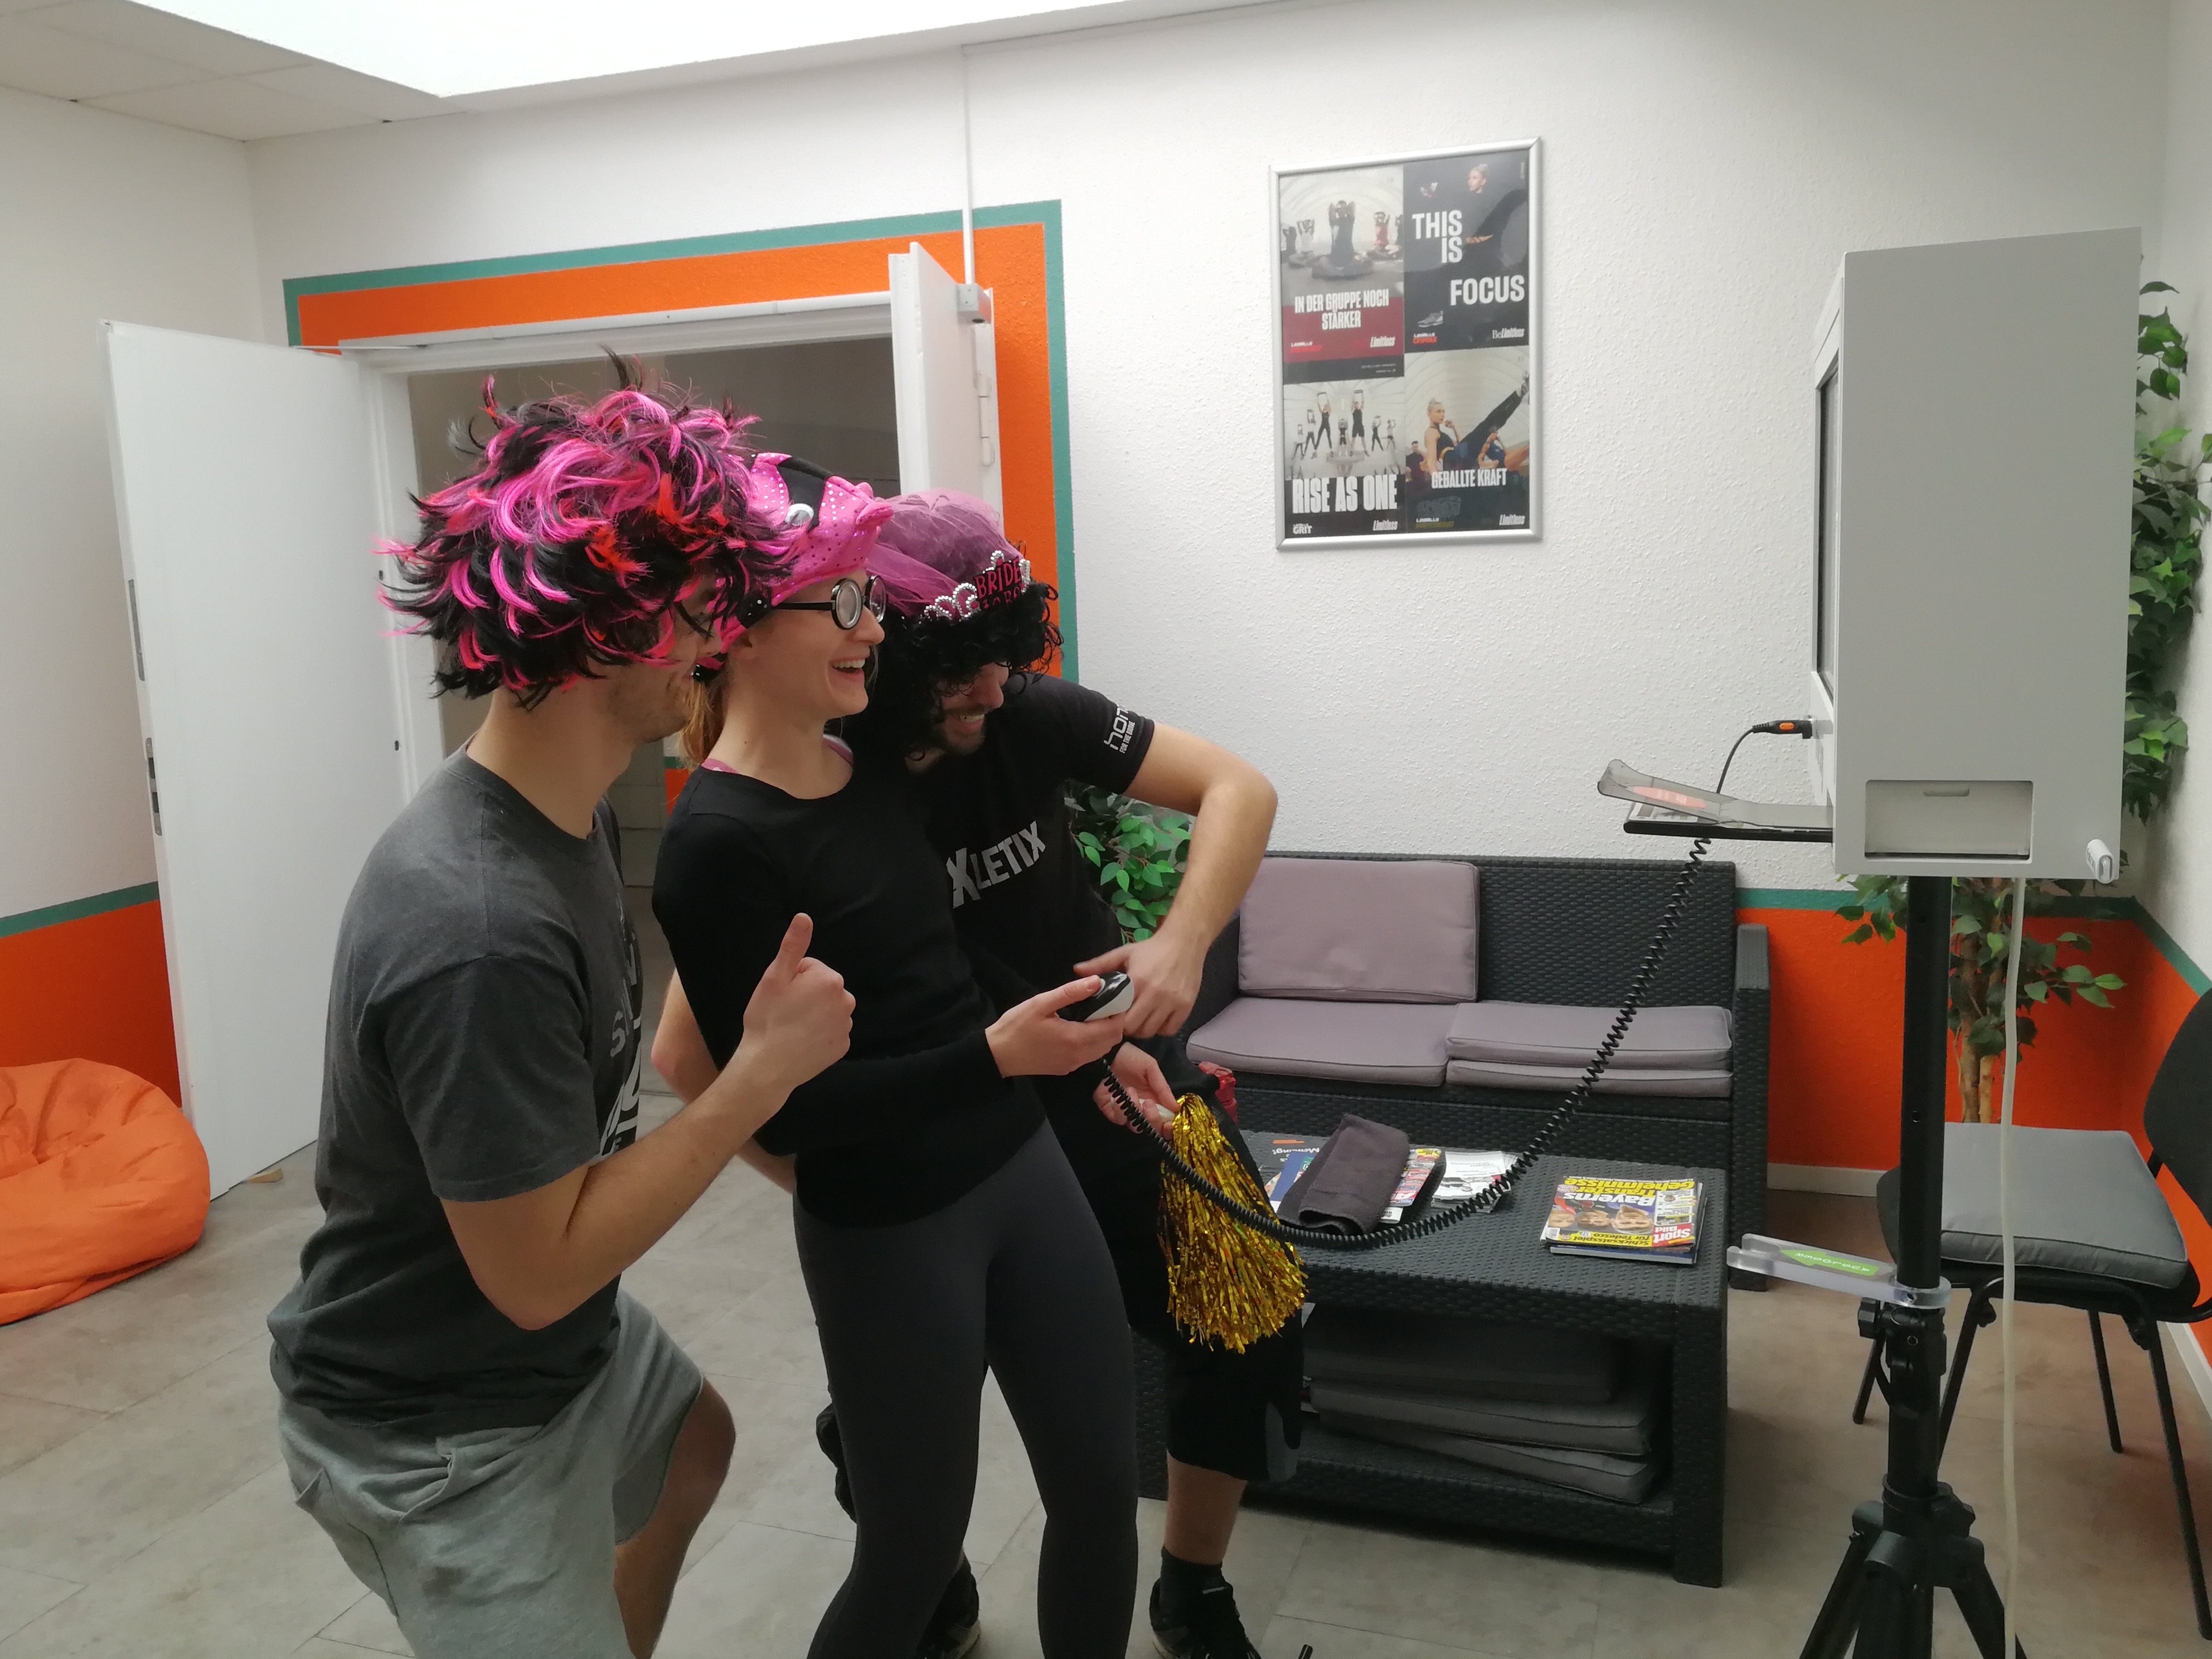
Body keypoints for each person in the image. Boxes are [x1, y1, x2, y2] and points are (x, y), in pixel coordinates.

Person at [265, 377, 857, 1659]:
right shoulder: (477, 922)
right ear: (606, 629)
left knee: (692, 1447)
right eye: (692, 611)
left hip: (545, 1354)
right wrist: (758, 1076)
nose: (711, 640)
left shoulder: (565, 813)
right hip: (439, 1426)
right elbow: (537, 1278)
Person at [666, 491, 1287, 1659]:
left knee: (1224, 1346)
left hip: (1072, 1111)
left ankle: (1192, 1588)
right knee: (911, 1527)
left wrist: (1166, 962)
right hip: (940, 1152)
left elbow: (1236, 789)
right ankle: (892, 1465)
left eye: (1005, 666)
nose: (994, 695)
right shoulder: (815, 783)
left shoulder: (992, 725)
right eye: (961, 675)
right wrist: (852, 1199)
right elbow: (706, 1064)